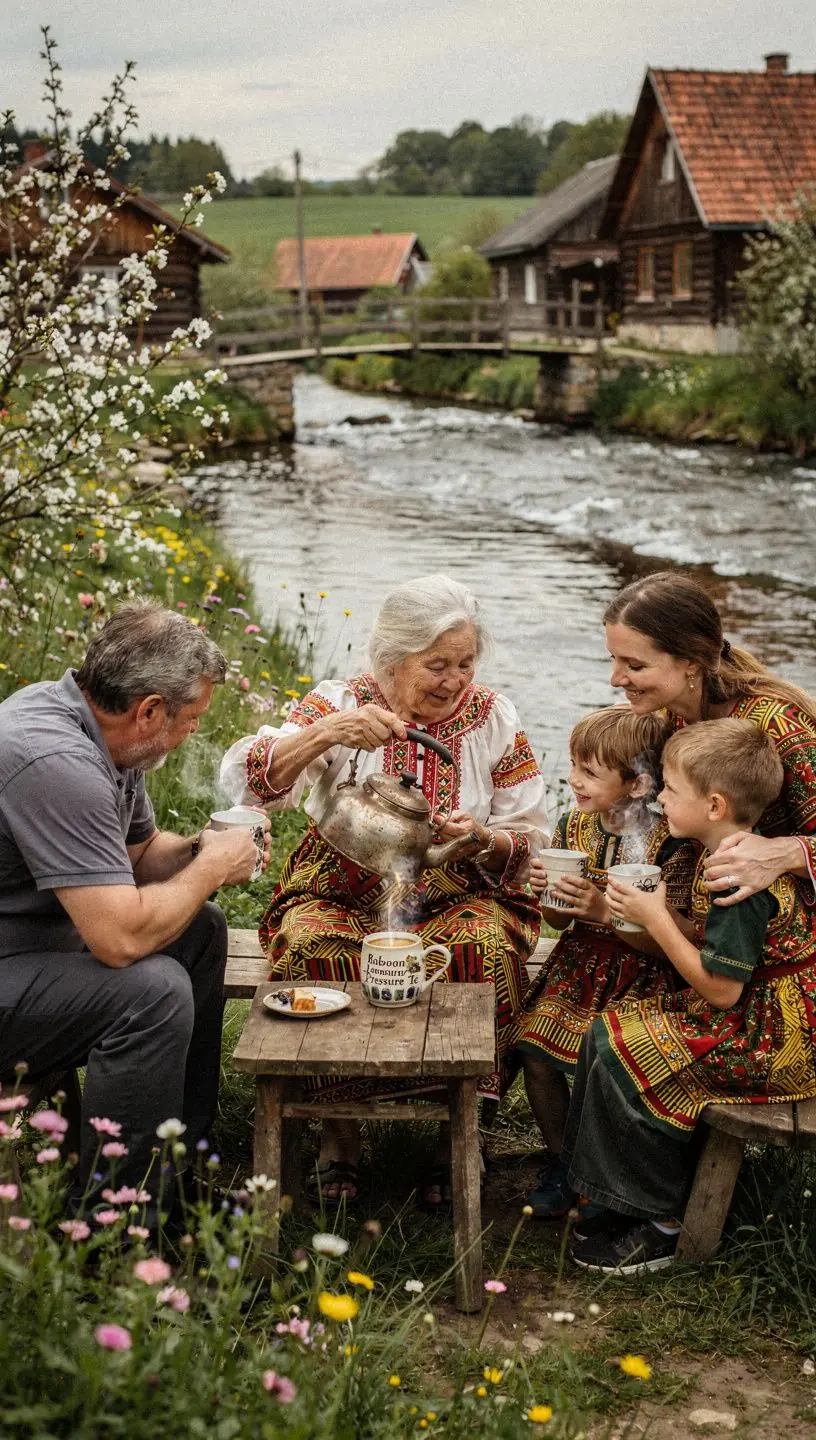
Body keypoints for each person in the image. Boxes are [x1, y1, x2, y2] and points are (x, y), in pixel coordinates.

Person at [220, 574, 548, 1205]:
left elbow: (530, 832)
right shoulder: (342, 703)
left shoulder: (493, 718)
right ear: (393, 659)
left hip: (457, 891)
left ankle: (456, 1137)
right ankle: (338, 1133)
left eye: (465, 663)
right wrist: (328, 733)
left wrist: (482, 837)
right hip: (340, 886)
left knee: (480, 946)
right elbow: (252, 784)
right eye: (437, 665)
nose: (454, 681)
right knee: (314, 946)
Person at [0, 603, 269, 1223]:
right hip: (12, 963)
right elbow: (119, 939)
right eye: (192, 719)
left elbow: (139, 856)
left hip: (34, 947)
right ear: (148, 710)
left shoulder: (108, 739)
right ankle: (114, 1224)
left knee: (201, 930)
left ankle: (175, 1173)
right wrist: (209, 871)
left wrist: (202, 849)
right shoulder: (56, 761)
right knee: (152, 993)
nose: (192, 732)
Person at [564, 719, 816, 1274]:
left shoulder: (734, 877)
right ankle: (610, 1196)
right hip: (757, 1013)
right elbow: (713, 944)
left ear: (714, 805)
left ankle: (662, 1223)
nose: (661, 798)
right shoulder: (725, 850)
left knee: (630, 1050)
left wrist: (656, 919)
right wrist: (647, 911)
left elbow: (721, 990)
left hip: (774, 1039)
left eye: (672, 790)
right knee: (608, 1030)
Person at [511, 707, 697, 1218]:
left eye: (590, 772)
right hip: (579, 960)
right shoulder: (574, 825)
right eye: (573, 765)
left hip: (646, 969)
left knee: (610, 1065)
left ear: (638, 784)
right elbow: (557, 922)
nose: (573, 779)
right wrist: (548, 894)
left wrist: (603, 911)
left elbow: (672, 940)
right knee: (535, 1049)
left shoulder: (672, 842)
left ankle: (603, 1174)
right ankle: (563, 1161)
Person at [603, 571, 816, 902]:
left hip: (774, 917)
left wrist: (784, 853)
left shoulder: (779, 726)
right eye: (613, 659)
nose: (615, 679)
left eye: (635, 666)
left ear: (690, 662)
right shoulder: (667, 716)